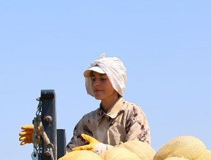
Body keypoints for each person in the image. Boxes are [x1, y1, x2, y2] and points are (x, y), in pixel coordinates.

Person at [19, 53, 151, 153]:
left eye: (103, 79)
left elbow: (138, 155)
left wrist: (102, 149)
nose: (96, 83)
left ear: (116, 80)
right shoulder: (87, 121)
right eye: (93, 79)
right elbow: (70, 157)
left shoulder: (132, 114)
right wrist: (46, 141)